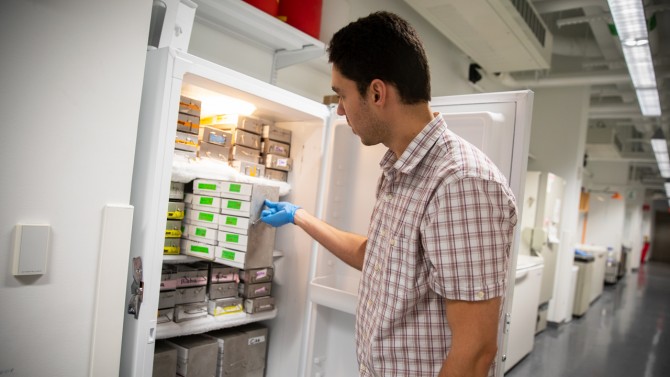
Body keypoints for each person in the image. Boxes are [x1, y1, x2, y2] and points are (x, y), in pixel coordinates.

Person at [261, 11, 517, 377]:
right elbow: (376, 256)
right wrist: (298, 215)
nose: (340, 109)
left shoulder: (460, 182)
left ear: (377, 92)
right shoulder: (399, 169)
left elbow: (476, 351)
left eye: (342, 95)